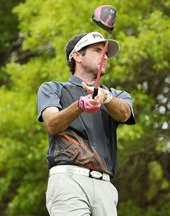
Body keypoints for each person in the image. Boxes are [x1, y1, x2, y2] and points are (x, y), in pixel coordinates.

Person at [37, 31, 136, 216]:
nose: (105, 57)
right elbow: (52, 124)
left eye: (106, 53)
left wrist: (105, 98)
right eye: (98, 50)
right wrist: (80, 104)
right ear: (77, 56)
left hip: (105, 185)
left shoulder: (115, 96)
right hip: (69, 179)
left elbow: (124, 113)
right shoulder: (53, 89)